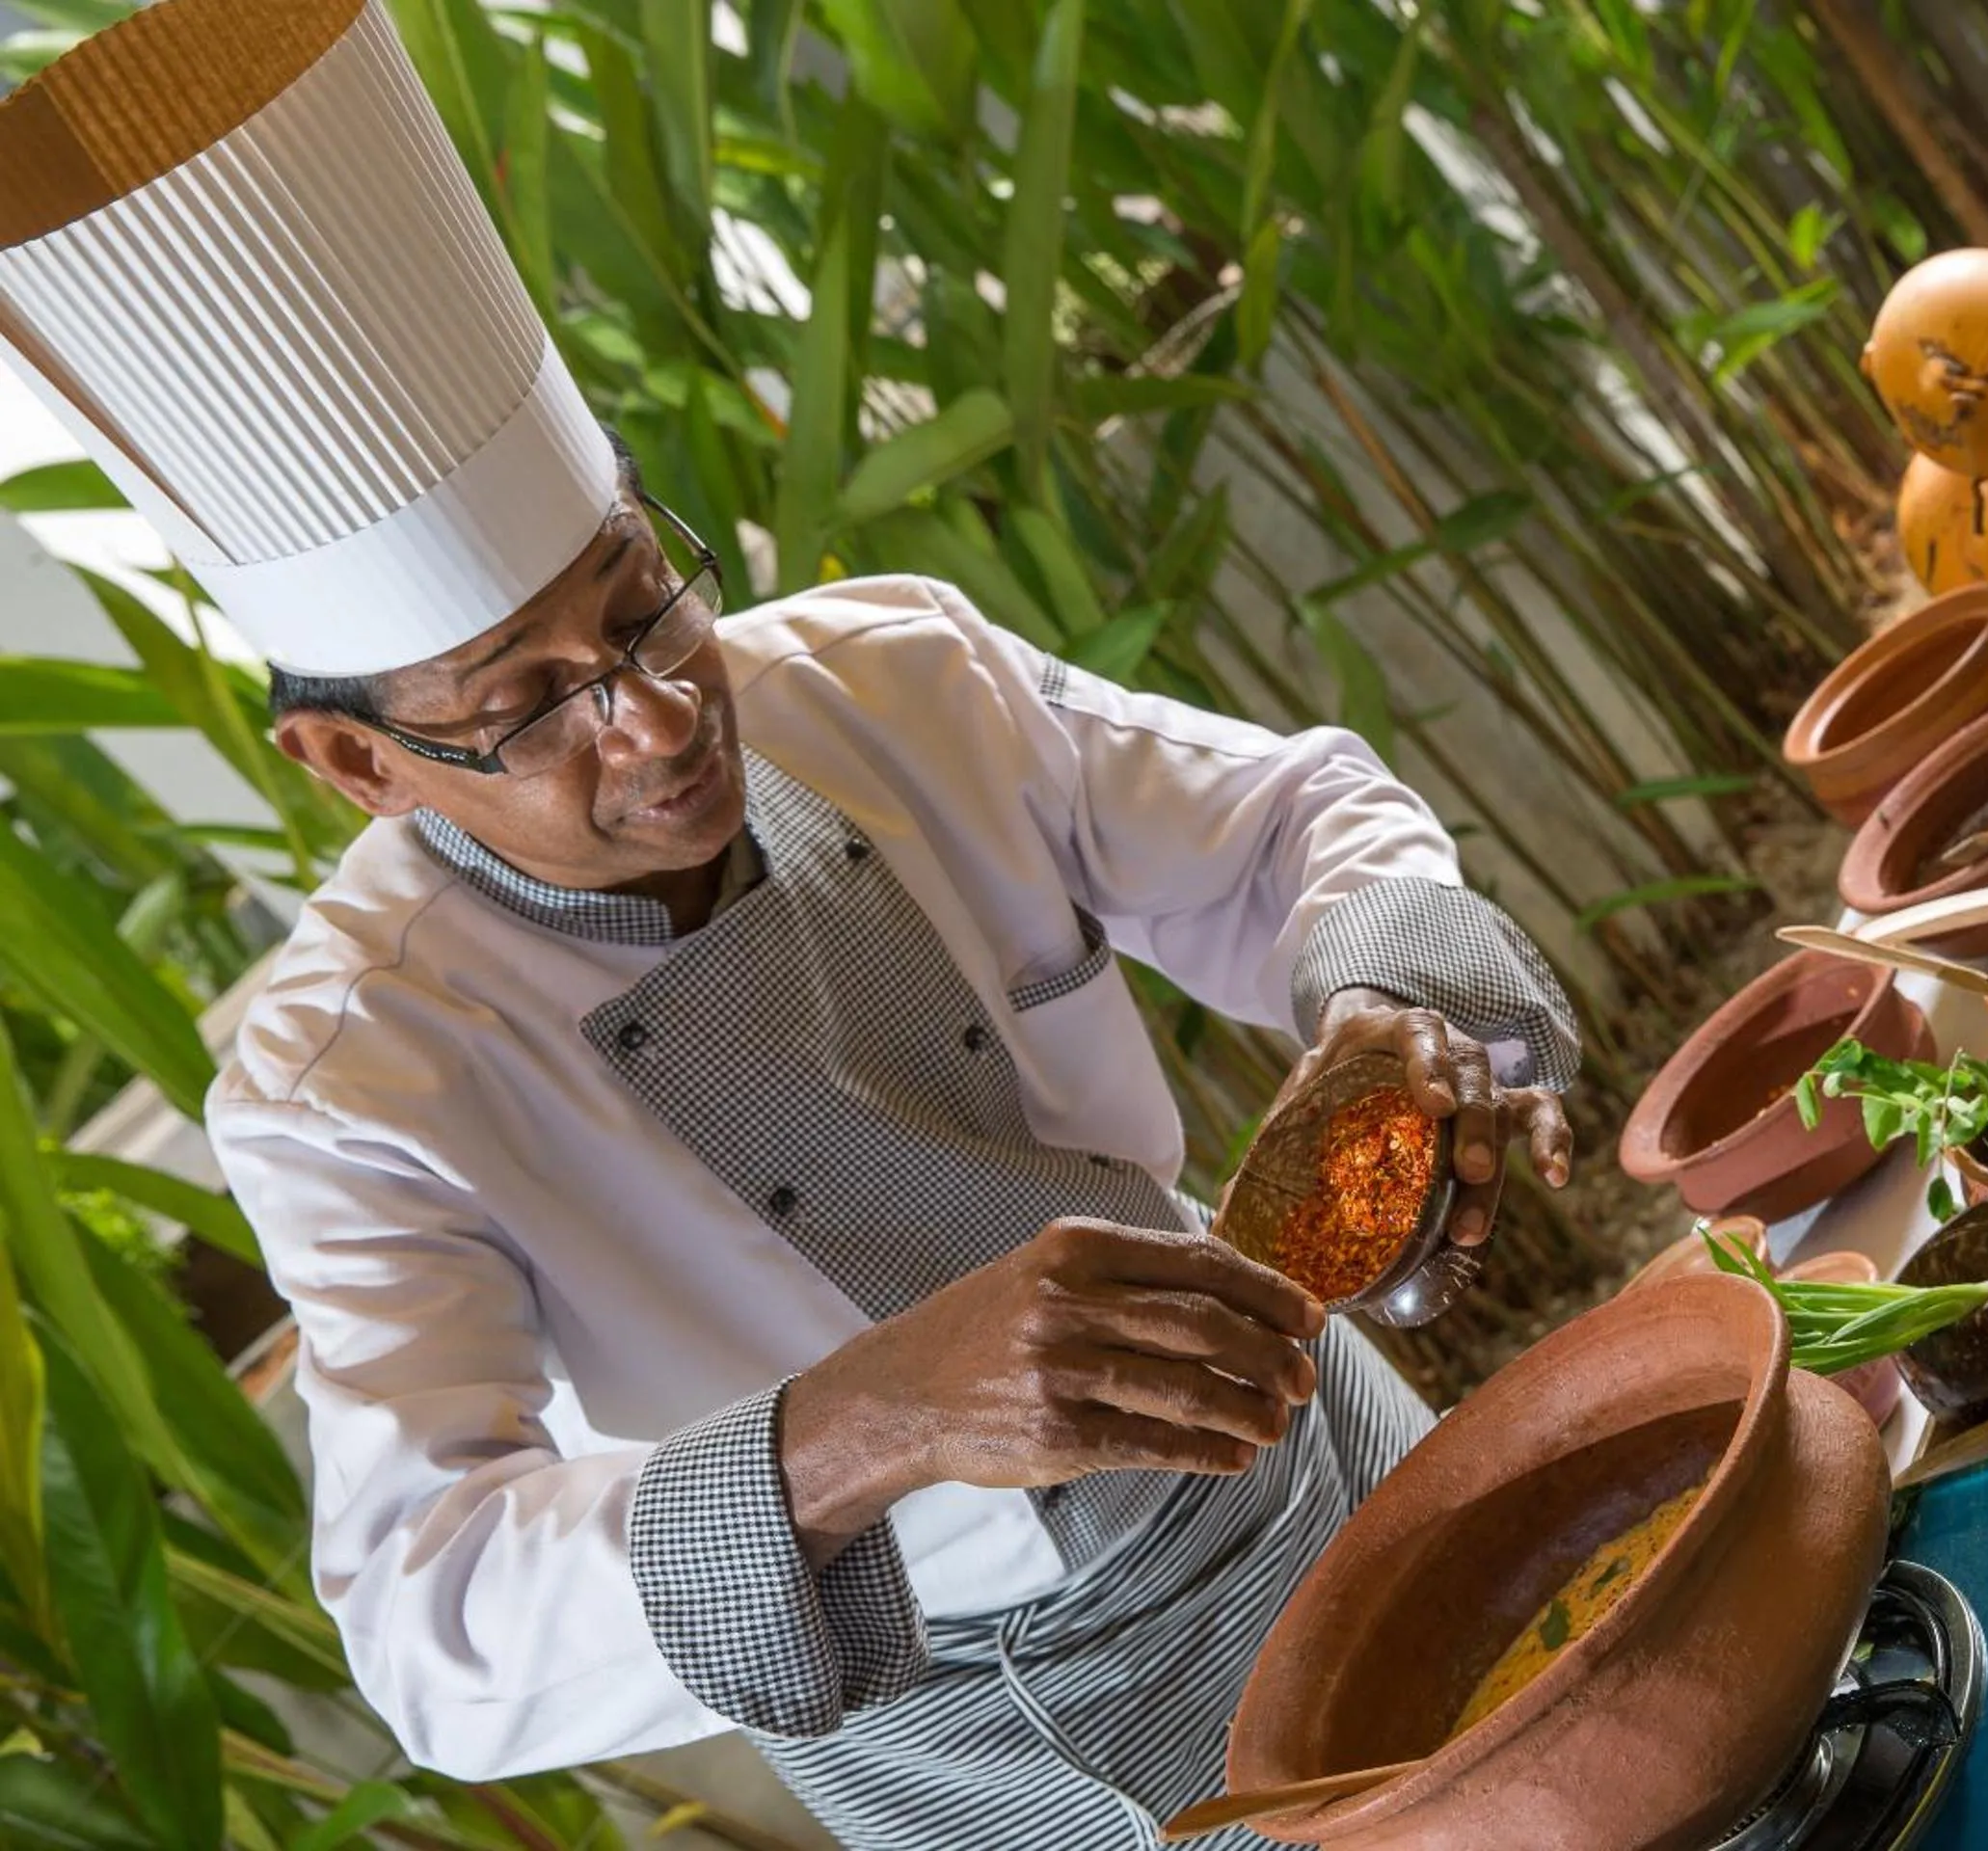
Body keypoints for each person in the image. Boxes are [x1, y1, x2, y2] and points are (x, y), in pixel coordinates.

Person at [0, 3, 1578, 1845]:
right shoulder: (354, 1082)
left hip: (1319, 1439)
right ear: (359, 760)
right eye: (526, 705)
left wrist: (1391, 1004)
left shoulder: (883, 675)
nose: (658, 717)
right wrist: (875, 1419)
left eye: (643, 603)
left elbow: (1290, 824)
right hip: (994, 1716)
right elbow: (433, 1626)